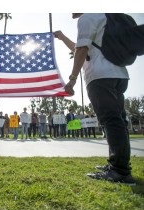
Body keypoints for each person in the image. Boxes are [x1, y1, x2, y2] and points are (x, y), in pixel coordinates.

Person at [54, 14, 135, 185]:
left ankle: (120, 172)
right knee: (117, 121)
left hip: (100, 76)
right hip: (118, 75)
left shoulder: (87, 17)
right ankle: (118, 165)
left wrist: (72, 78)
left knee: (111, 121)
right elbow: (80, 48)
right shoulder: (103, 16)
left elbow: (82, 50)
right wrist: (62, 38)